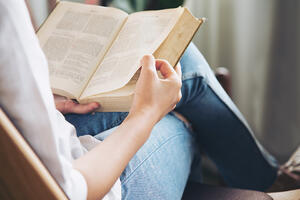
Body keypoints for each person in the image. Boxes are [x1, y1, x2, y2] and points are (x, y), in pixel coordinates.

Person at [0, 1, 281, 200]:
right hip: (72, 183)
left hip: (36, 147)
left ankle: (269, 178)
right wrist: (145, 115)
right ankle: (271, 182)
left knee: (179, 60)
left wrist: (43, 101)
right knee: (178, 118)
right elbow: (67, 190)